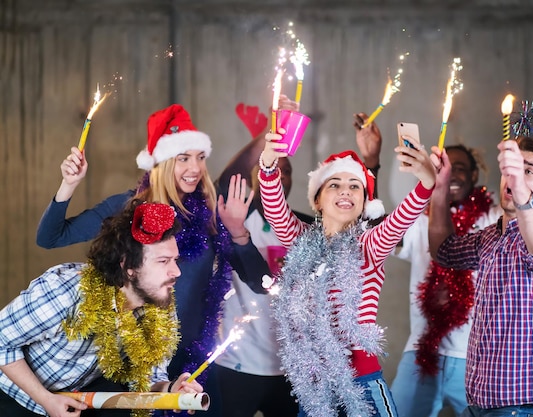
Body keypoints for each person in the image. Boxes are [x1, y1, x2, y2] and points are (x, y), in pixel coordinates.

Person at [36, 104, 267, 416]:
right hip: (135, 363)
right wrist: (69, 185)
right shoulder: (126, 207)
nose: (195, 168)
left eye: (200, 157)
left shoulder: (212, 211)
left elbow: (260, 283)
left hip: (195, 367)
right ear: (160, 161)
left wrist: (239, 232)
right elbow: (50, 237)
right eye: (183, 158)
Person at [213, 101, 382, 417]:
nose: (281, 175)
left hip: (297, 370)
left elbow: (360, 230)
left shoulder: (309, 228)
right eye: (275, 169)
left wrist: (371, 164)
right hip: (240, 363)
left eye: (286, 170)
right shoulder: (236, 216)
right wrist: (270, 139)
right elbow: (226, 182)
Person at [257, 121, 436, 417]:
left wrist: (426, 184)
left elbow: (401, 219)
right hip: (315, 389)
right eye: (335, 185)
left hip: (362, 383)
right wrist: (267, 166)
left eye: (355, 186)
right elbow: (275, 210)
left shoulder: (370, 244)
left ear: (364, 201)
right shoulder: (300, 239)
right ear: (317, 199)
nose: (345, 191)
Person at [0, 200, 204, 417]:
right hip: (15, 395)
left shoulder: (159, 303)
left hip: (77, 396)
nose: (176, 271)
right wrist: (46, 400)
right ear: (128, 266)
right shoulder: (66, 290)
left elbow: (147, 376)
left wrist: (171, 390)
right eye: (163, 261)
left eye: (175, 260)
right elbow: (1, 341)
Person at [428, 135, 533, 417]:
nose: (514, 176)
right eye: (512, 168)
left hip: (520, 409)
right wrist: (441, 185)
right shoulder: (491, 238)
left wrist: (519, 188)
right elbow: (443, 250)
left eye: (528, 170)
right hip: (479, 406)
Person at [391, 144, 501, 417]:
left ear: (475, 176)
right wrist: (372, 159)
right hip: (421, 352)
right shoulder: (419, 220)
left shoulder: (494, 218)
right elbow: (381, 229)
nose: (451, 176)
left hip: (476, 357)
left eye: (459, 169)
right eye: (444, 169)